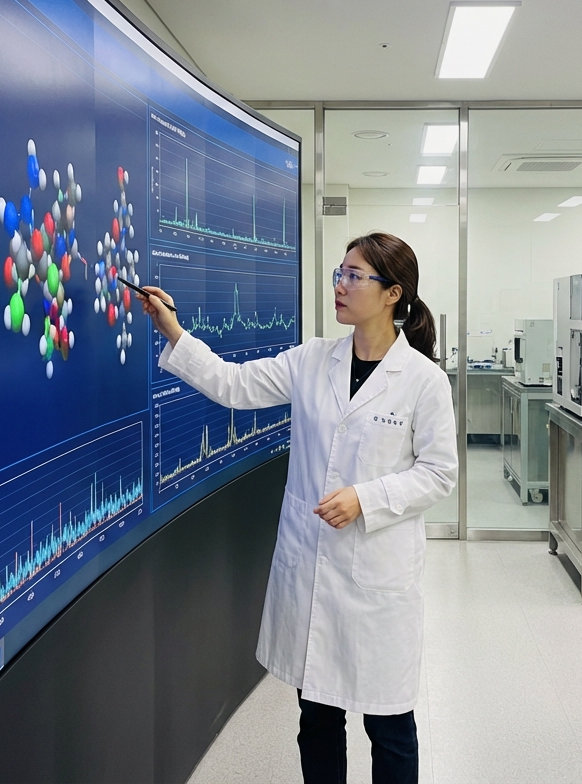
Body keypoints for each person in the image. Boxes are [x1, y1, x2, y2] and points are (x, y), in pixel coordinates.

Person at [139, 231, 456, 784]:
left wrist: (367, 498)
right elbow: (233, 385)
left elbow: (439, 473)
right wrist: (173, 330)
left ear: (392, 293)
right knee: (318, 717)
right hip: (312, 569)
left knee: (390, 726)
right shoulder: (313, 360)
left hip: (378, 577)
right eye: (340, 273)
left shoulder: (424, 381)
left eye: (355, 276)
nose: (341, 284)